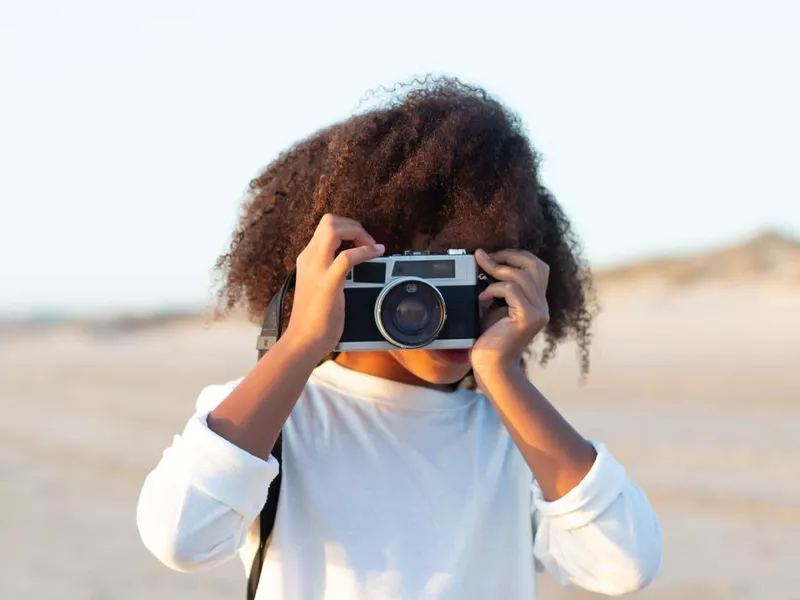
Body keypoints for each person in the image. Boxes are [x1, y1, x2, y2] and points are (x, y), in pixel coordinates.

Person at [137, 79, 662, 600]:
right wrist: (299, 343)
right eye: (419, 281)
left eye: (476, 277)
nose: (445, 308)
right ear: (345, 268)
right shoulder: (269, 417)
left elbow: (623, 566)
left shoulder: (516, 435)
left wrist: (502, 376)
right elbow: (181, 539)